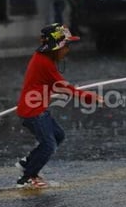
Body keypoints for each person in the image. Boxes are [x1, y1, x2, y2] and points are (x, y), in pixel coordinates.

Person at [14, 24, 101, 188]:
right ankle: (27, 178)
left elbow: (55, 85)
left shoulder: (44, 59)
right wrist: (90, 97)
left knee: (58, 135)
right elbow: (64, 87)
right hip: (33, 112)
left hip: (38, 109)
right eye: (65, 46)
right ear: (55, 47)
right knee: (48, 145)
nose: (67, 50)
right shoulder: (44, 63)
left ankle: (29, 163)